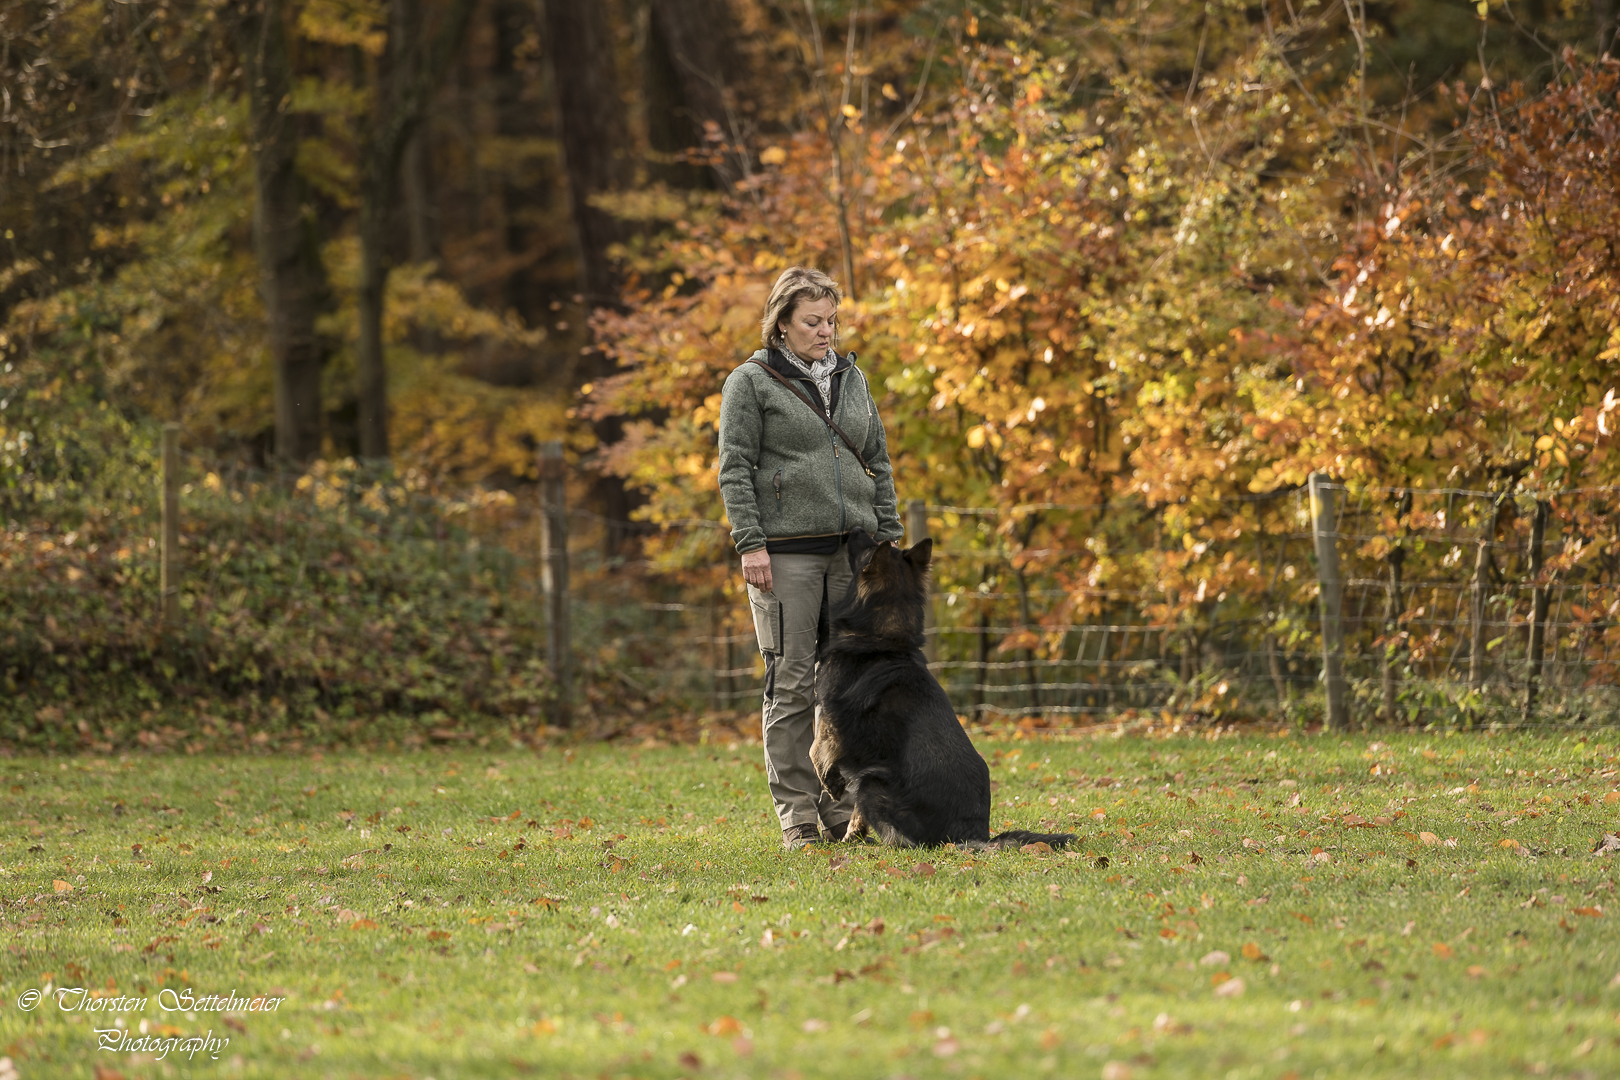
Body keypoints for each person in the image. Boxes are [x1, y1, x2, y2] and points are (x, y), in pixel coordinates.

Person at [716, 266, 905, 849]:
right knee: (792, 683)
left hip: (853, 553)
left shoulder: (852, 377)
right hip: (785, 555)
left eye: (831, 320)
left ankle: (842, 810)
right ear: (782, 324)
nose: (826, 332)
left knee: (844, 686)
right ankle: (797, 816)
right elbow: (734, 468)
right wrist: (750, 542)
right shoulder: (750, 383)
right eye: (812, 321)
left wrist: (888, 537)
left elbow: (877, 459)